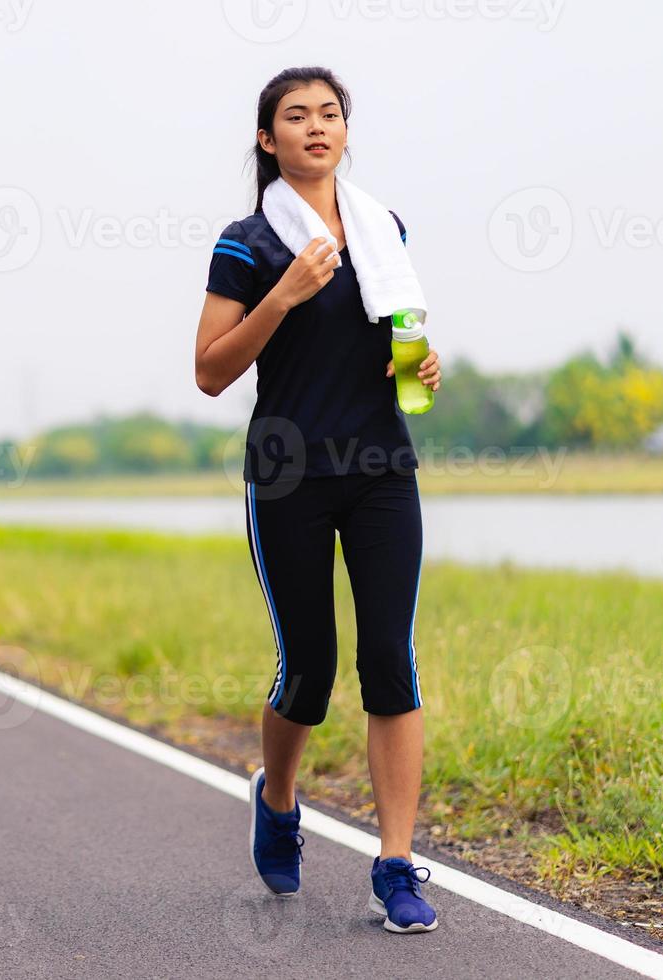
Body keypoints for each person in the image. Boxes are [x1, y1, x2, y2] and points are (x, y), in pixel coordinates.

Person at [194, 66, 443, 934]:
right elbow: (211, 370)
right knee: (308, 671)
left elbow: (399, 339)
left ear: (346, 131)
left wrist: (423, 367)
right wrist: (285, 293)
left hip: (381, 465)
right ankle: (280, 800)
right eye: (294, 117)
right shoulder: (248, 241)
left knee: (390, 659)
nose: (314, 127)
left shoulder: (384, 227)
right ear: (268, 140)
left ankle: (397, 865)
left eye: (329, 114)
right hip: (288, 471)